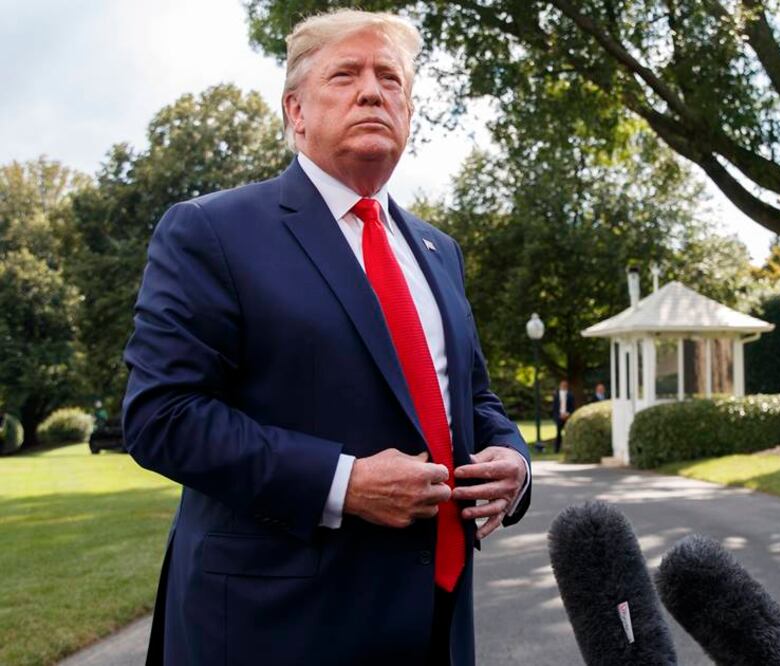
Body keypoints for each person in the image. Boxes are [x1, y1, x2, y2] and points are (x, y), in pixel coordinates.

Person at [121, 10, 530, 665]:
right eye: (346, 74)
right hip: (276, 628)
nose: (372, 91)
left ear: (409, 110)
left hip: (436, 619)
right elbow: (161, 417)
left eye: (390, 79)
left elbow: (474, 400)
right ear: (296, 111)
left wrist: (513, 460)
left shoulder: (438, 250)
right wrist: (344, 483)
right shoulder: (211, 231)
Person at [550, 379, 576, 454]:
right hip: (559, 417)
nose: (564, 386)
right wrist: (557, 416)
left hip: (567, 416)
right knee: (558, 433)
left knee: (568, 433)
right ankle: (557, 450)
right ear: (560, 386)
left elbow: (572, 407)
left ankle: (568, 449)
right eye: (562, 385)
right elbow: (554, 407)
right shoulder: (556, 395)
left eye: (565, 385)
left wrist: (568, 414)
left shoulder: (570, 395)